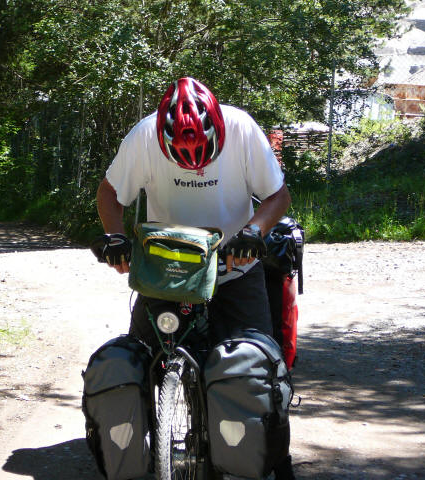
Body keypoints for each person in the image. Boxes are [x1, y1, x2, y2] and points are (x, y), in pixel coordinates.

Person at [94, 77, 295, 479]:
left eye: (203, 156)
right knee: (138, 363)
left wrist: (254, 232)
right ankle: (141, 448)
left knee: (259, 368)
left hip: (235, 267)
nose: (196, 165)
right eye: (183, 157)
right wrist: (115, 238)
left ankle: (277, 458)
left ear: (219, 130)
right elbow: (110, 193)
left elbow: (278, 195)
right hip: (168, 271)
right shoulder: (144, 137)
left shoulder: (241, 130)